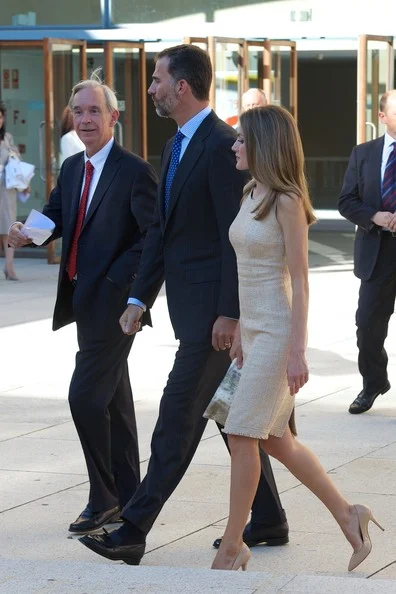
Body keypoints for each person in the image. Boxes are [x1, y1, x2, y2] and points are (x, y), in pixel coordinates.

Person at [79, 44, 289, 566]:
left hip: (211, 320)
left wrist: (229, 311)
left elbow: (230, 237)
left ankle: (132, 527)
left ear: (184, 86)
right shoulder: (176, 145)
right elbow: (162, 234)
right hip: (192, 311)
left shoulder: (220, 145)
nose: (151, 88)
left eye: (157, 80)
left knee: (176, 418)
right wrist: (137, 297)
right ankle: (267, 519)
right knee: (229, 416)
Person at [211, 105, 384, 572]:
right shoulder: (252, 191)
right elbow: (248, 272)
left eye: (242, 140)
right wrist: (244, 333)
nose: (235, 146)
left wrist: (296, 352)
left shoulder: (287, 200)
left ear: (265, 144)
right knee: (275, 441)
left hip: (279, 333)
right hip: (254, 332)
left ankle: (232, 547)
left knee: (243, 434)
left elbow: (301, 282)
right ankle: (350, 515)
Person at [8, 73, 158, 535]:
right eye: (80, 111)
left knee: (84, 397)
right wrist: (27, 231)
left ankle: (104, 496)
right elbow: (57, 214)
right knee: (114, 401)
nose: (87, 119)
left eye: (96, 111)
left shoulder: (133, 170)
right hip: (81, 299)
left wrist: (125, 286)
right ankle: (130, 497)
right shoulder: (75, 167)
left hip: (115, 305)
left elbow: (154, 235)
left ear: (114, 117)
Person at [339, 90, 396, 415]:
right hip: (376, 253)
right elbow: (347, 200)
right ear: (382, 117)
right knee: (368, 326)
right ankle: (374, 382)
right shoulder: (363, 154)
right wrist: (374, 216)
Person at [0, 104, 22, 281]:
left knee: (8, 226)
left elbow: (16, 160)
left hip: (7, 188)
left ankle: (9, 265)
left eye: (0, 117)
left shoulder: (7, 138)